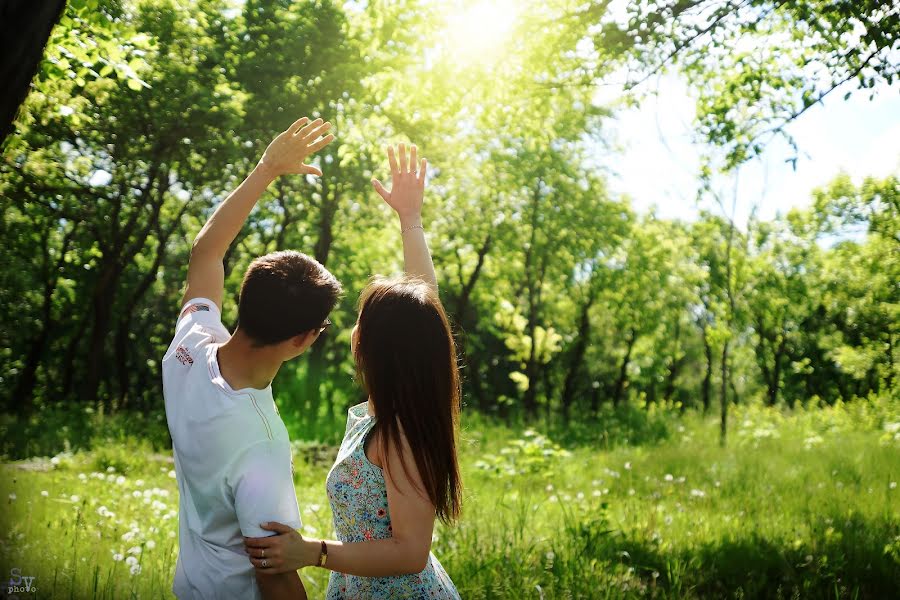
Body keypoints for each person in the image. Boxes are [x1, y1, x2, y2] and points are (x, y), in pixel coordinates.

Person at [243, 143, 463, 599]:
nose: (352, 327)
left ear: (379, 347)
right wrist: (410, 219)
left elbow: (410, 552)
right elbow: (425, 313)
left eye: (362, 319)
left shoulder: (400, 432)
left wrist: (314, 553)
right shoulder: (389, 410)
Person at [162, 116, 339, 600]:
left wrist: (266, 169)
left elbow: (206, 251)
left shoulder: (188, 348)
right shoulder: (261, 443)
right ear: (304, 339)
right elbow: (274, 572)